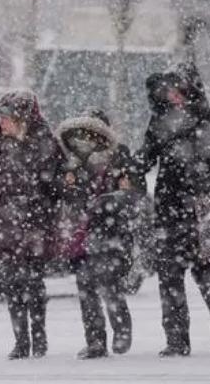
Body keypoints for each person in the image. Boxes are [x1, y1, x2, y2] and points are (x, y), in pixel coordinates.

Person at [135, 63, 210, 357]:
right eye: (169, 89)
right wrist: (126, 170)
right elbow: (144, 160)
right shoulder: (160, 122)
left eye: (178, 89)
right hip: (168, 208)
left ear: (191, 89)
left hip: (207, 209)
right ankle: (176, 340)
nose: (172, 95)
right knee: (169, 276)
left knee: (206, 272)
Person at [0, 90, 61, 360]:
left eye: (7, 116)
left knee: (34, 282)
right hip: (8, 225)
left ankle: (39, 337)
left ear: (22, 118)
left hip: (36, 224)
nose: (2, 121)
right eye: (1, 116)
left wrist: (41, 206)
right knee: (13, 284)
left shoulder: (45, 142)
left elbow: (56, 187)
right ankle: (21, 341)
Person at [55, 109, 138, 359]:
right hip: (83, 232)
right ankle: (95, 341)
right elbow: (68, 193)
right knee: (86, 288)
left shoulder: (119, 156)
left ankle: (122, 330)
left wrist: (109, 200)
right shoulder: (74, 160)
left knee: (110, 284)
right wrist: (68, 185)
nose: (87, 138)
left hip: (110, 231)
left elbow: (133, 192)